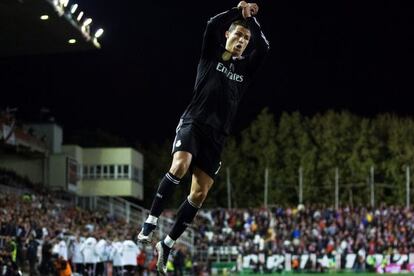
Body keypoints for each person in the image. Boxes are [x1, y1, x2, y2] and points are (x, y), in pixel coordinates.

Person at [137, 1, 270, 274]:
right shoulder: (211, 54)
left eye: (246, 38)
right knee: (180, 166)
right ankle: (150, 221)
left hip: (217, 136)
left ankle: (167, 243)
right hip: (194, 122)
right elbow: (211, 24)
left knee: (199, 194)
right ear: (227, 36)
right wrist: (237, 11)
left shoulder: (245, 71)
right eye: (238, 35)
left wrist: (252, 22)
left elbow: (265, 48)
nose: (242, 40)